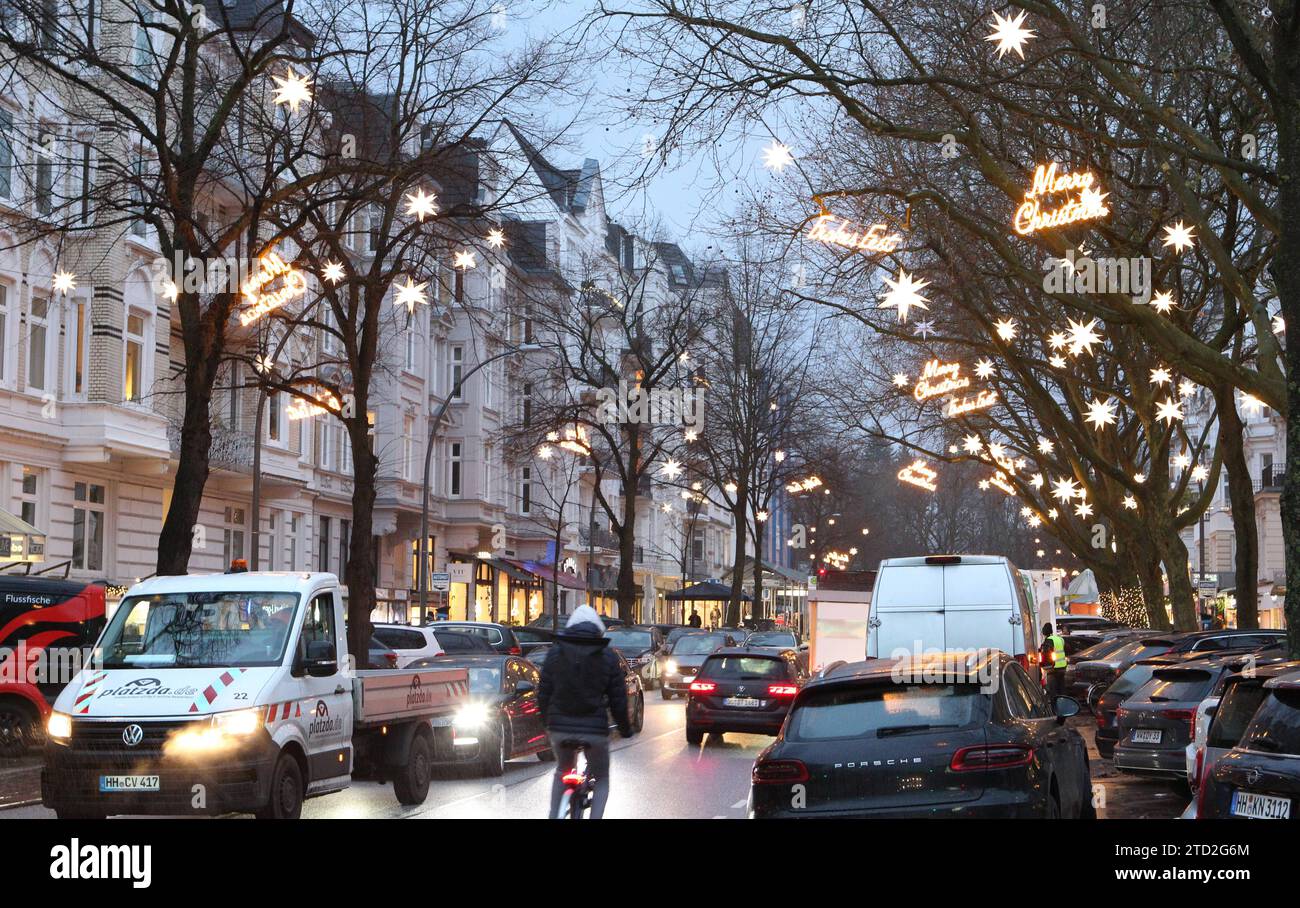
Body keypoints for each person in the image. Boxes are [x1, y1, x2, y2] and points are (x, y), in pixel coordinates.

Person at [538, 605, 632, 818]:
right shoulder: (607, 656)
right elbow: (618, 699)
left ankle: (555, 814)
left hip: (560, 728)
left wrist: (547, 723)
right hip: (594, 732)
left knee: (563, 770)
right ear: (598, 630)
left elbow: (543, 693)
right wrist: (625, 729)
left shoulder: (555, 654)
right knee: (601, 779)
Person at [1039, 622, 1067, 699]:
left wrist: (1042, 665)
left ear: (1044, 632)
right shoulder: (1059, 639)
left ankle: (1055, 706)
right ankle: (1064, 703)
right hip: (1063, 667)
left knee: (1053, 690)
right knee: (1061, 688)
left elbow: (1047, 655)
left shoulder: (1048, 641)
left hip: (1053, 668)